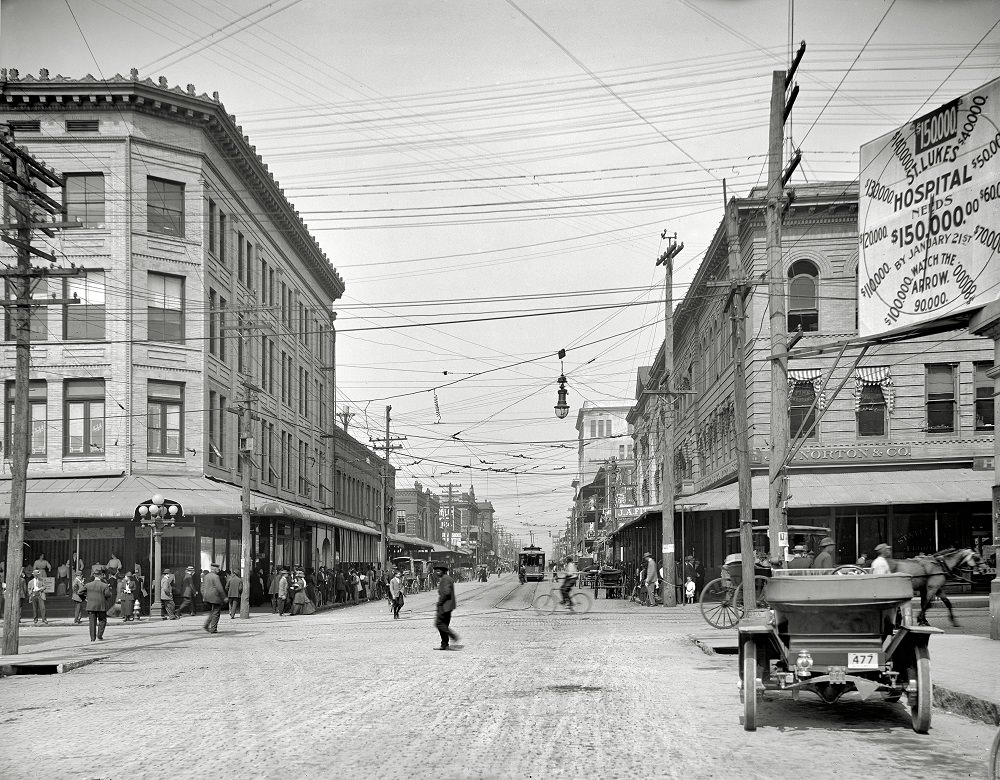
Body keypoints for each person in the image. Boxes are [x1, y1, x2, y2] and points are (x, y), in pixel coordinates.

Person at [81, 566, 113, 642]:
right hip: (101, 606)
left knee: (92, 622)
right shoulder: (104, 585)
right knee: (102, 620)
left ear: (94, 576)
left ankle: (92, 638)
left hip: (91, 606)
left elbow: (80, 591)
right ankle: (99, 635)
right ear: (100, 575)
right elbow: (108, 594)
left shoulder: (88, 585)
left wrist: (85, 598)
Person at [433, 564, 461, 650]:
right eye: (436, 571)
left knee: (439, 623)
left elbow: (446, 592)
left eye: (439, 571)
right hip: (448, 605)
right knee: (444, 624)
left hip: (445, 605)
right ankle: (444, 644)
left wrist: (440, 602)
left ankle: (453, 636)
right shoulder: (446, 578)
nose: (437, 573)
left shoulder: (445, 579)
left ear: (443, 571)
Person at [201, 563, 226, 634]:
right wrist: (224, 597)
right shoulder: (215, 577)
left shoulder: (206, 576)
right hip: (215, 597)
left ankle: (206, 625)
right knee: (216, 613)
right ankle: (213, 628)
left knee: (212, 612)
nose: (218, 570)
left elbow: (203, 586)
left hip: (207, 597)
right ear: (214, 569)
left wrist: (203, 595)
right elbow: (219, 588)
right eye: (217, 568)